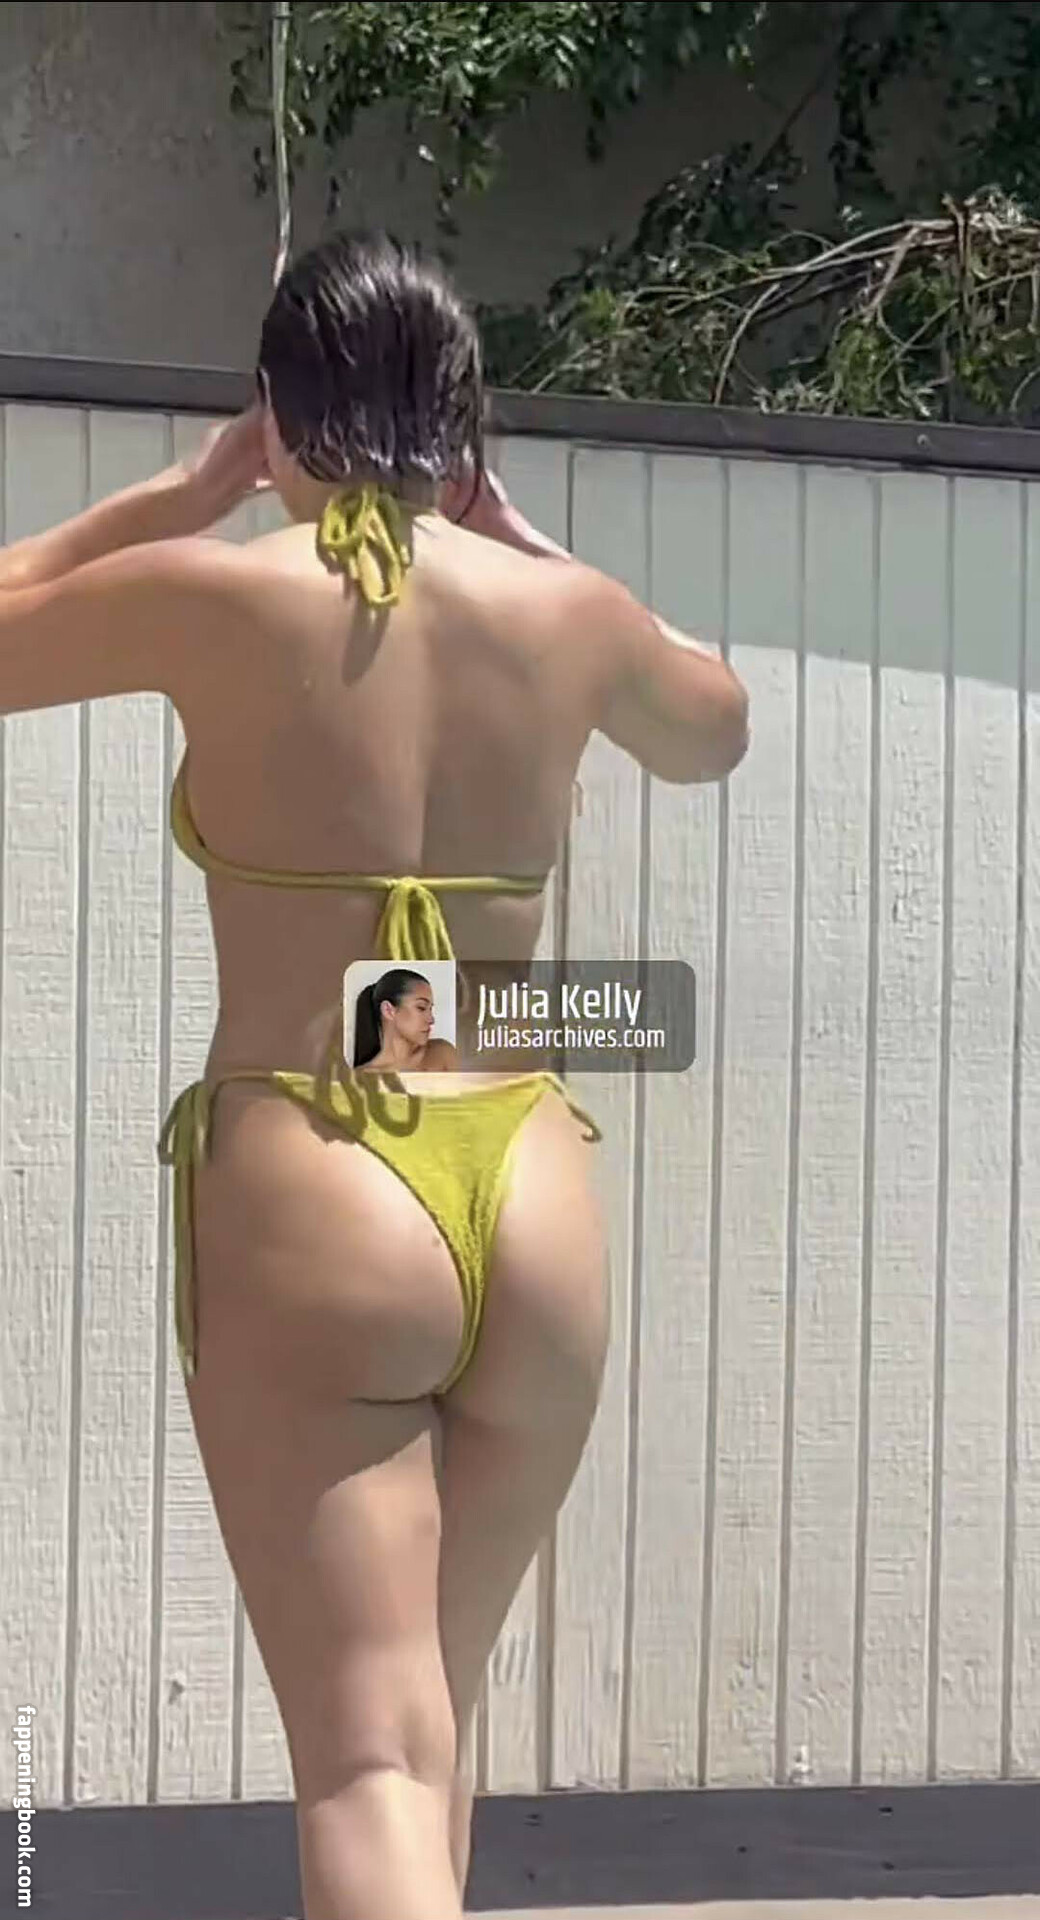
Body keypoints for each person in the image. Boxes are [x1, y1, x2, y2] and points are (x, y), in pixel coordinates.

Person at [0, 230, 748, 1920]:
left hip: (317, 1183)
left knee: (366, 1760)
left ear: (275, 411)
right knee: (426, 1724)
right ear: (466, 431)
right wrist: (532, 546)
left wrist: (181, 499)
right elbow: (716, 722)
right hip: (532, 1185)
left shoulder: (220, 593)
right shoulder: (568, 617)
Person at [352, 967, 459, 1071]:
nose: (431, 1020)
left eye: (430, 1009)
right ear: (388, 1010)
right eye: (421, 1008)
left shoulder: (442, 1053)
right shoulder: (361, 1076)